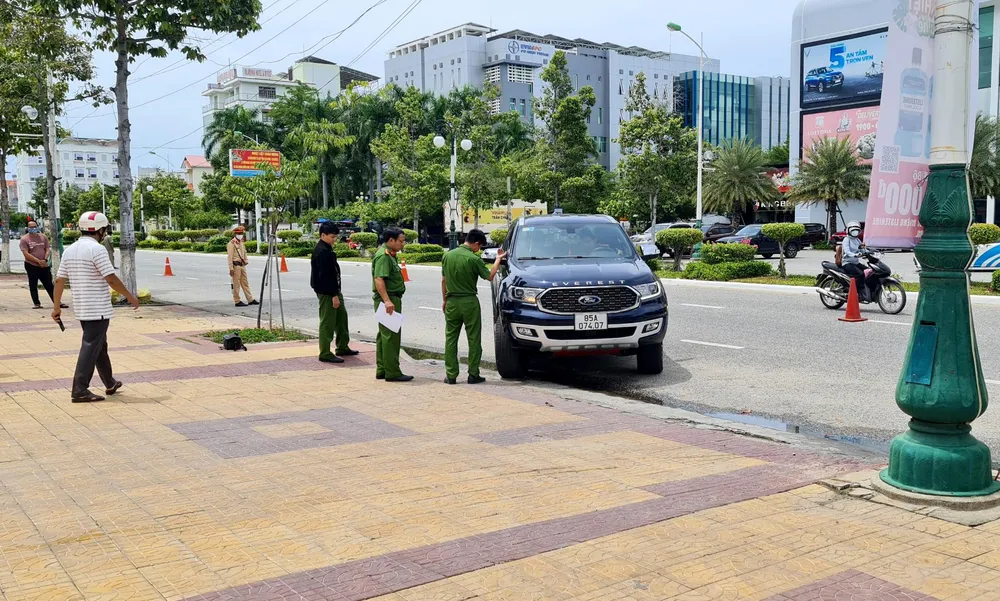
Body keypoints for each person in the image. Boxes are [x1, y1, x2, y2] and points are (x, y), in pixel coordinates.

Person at [52, 212, 140, 403]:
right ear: (101, 230)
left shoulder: (70, 249)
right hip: (97, 308)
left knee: (99, 345)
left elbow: (59, 279)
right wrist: (130, 297)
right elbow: (111, 278)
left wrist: (56, 306)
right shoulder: (97, 249)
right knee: (91, 346)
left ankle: (110, 382)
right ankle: (79, 389)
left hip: (83, 308)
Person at [441, 229, 506, 385]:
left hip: (451, 301)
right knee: (473, 339)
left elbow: (443, 281)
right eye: (480, 246)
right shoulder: (473, 259)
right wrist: (498, 259)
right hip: (469, 302)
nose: (479, 249)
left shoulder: (447, 256)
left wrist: (444, 300)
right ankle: (473, 374)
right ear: (476, 243)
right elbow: (490, 276)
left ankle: (451, 375)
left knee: (450, 339)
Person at [311, 221, 358, 364]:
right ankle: (325, 352)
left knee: (341, 318)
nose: (334, 239)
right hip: (327, 292)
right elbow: (325, 277)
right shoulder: (322, 252)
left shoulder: (328, 249)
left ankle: (342, 346)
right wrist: (333, 296)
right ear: (323, 235)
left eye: (336, 237)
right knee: (328, 322)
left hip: (335, 290)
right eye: (332, 237)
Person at [371, 227, 411, 382]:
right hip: (388, 300)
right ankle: (392, 372)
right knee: (391, 336)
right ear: (391, 240)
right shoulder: (384, 256)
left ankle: (382, 369)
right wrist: (387, 300)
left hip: (390, 299)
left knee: (384, 336)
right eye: (401, 241)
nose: (403, 244)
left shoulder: (390, 255)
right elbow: (379, 279)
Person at [19, 220, 66, 310]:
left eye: (34, 226)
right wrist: (38, 261)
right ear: (27, 228)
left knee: (49, 284)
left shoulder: (43, 237)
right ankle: (36, 303)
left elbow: (48, 248)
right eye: (31, 227)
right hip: (31, 265)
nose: (33, 228)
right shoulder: (24, 239)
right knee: (33, 284)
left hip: (44, 265)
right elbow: (26, 254)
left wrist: (44, 259)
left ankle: (57, 302)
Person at [227, 226, 258, 307]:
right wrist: (231, 268)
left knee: (245, 283)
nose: (241, 235)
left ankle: (250, 299)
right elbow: (229, 257)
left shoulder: (241, 242)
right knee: (236, 284)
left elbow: (244, 252)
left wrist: (246, 261)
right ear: (235, 234)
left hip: (242, 265)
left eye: (241, 233)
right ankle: (237, 301)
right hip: (235, 266)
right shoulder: (231, 244)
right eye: (239, 233)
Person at [841, 221, 867, 300]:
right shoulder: (846, 239)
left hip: (855, 263)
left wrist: (869, 251)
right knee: (860, 274)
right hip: (847, 263)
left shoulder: (857, 240)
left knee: (868, 271)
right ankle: (857, 292)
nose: (855, 232)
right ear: (848, 230)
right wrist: (855, 255)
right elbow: (847, 251)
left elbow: (862, 251)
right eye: (853, 230)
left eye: (857, 230)